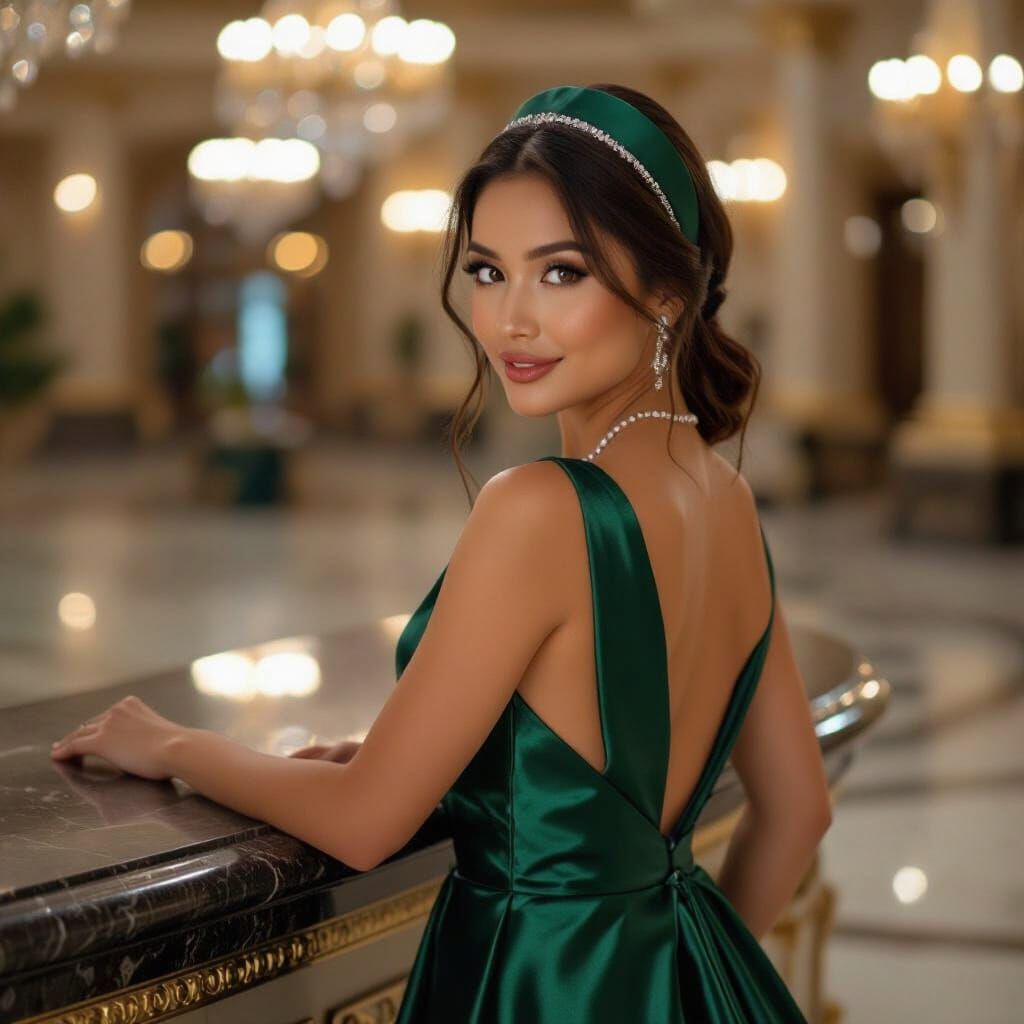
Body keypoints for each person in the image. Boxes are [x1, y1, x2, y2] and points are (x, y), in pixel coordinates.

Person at [51, 83, 832, 1022]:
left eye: (562, 272)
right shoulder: (728, 499)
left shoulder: (541, 507)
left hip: (532, 986)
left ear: (667, 290)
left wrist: (175, 743)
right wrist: (686, 982)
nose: (508, 321)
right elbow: (797, 812)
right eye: (488, 270)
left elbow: (366, 822)